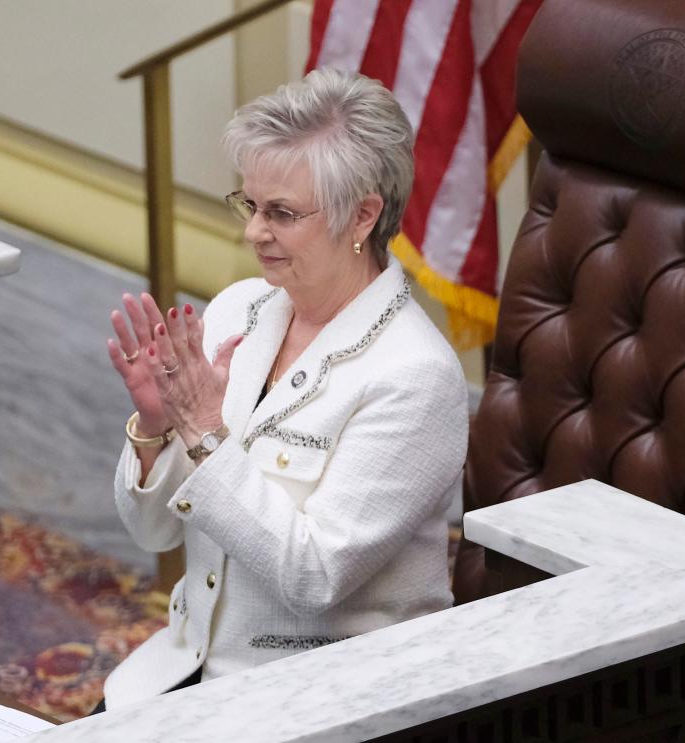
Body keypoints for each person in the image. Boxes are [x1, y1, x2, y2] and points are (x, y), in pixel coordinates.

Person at [102, 67, 468, 709]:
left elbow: (315, 575)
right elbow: (152, 534)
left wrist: (208, 437)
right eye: (250, 205)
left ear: (363, 215)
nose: (253, 232)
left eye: (282, 213)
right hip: (185, 676)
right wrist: (158, 429)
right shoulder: (239, 310)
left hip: (326, 702)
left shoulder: (415, 376)